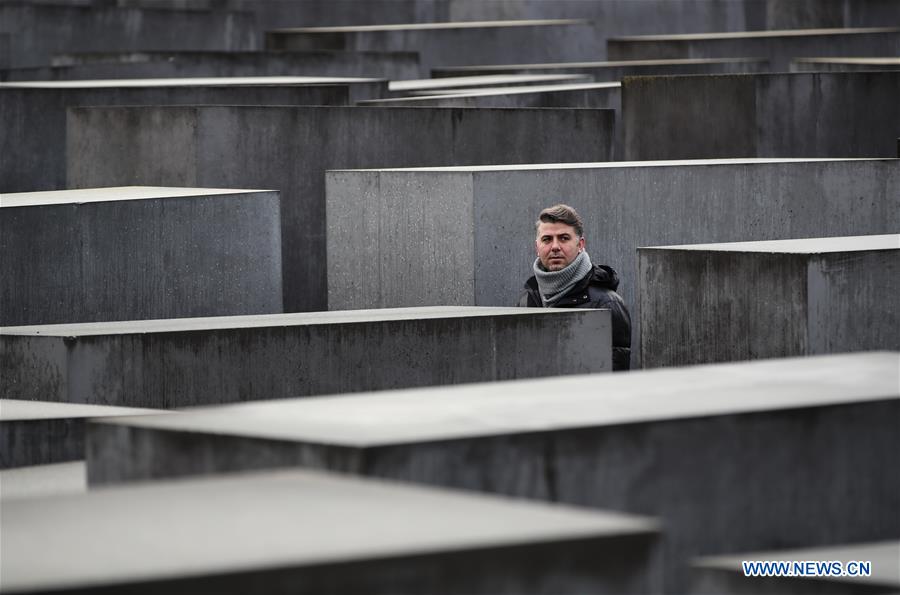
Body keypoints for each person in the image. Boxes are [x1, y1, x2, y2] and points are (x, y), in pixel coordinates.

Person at [517, 204, 631, 371]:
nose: (555, 247)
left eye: (564, 238)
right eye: (547, 239)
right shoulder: (526, 301)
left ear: (580, 244)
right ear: (537, 247)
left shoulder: (607, 304)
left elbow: (613, 380)